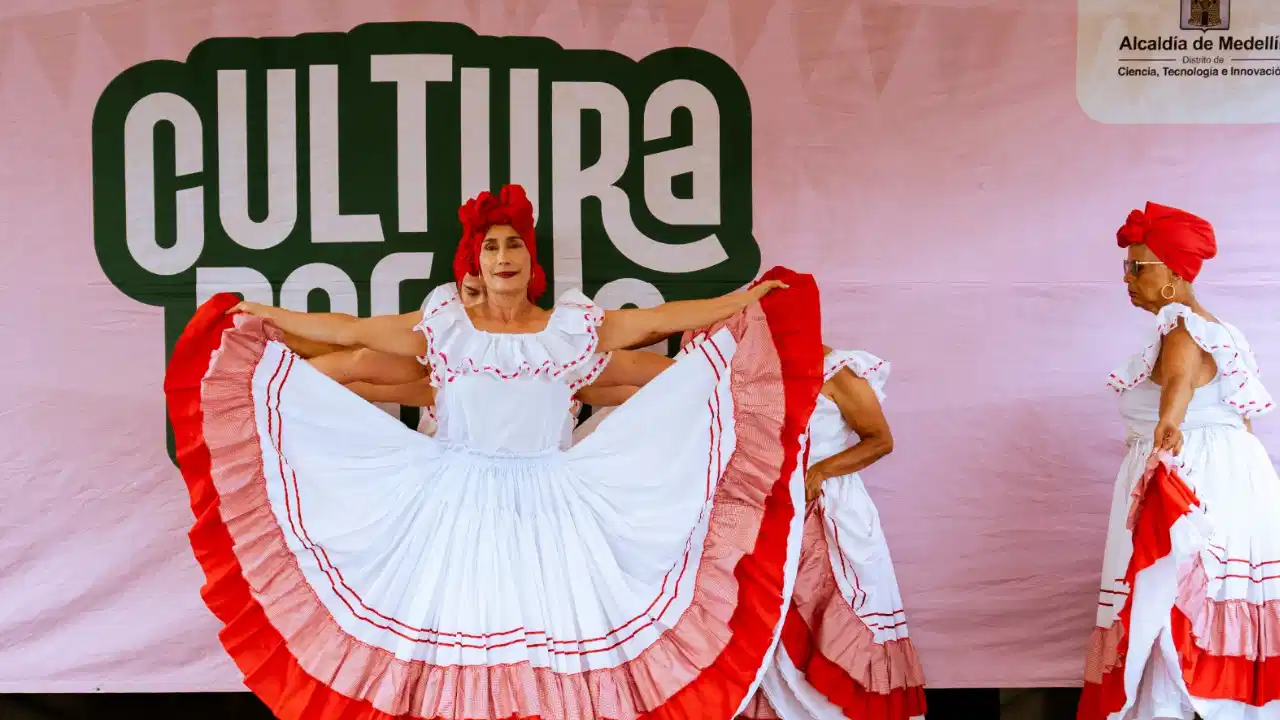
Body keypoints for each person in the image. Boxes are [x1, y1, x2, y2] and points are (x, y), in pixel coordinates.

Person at [163, 184, 825, 720]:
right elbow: (351, 331)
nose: (501, 256)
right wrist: (271, 317)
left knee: (544, 631)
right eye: (490, 247)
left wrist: (741, 300)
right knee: (451, 628)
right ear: (474, 263)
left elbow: (658, 321)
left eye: (512, 245)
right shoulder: (446, 328)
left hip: (550, 504)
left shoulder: (572, 329)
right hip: (452, 499)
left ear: (529, 259)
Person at [1077, 202, 1279, 720]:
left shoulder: (1183, 327)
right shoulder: (1218, 330)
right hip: (1230, 476)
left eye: (1136, 267)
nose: (1127, 277)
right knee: (1185, 604)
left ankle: (1167, 709)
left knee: (1163, 604)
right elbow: (1236, 412)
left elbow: (1180, 380)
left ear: (1170, 274)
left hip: (1189, 478)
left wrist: (1170, 420)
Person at [735, 345, 927, 720]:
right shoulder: (749, 367)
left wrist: (820, 472)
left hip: (831, 512)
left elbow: (880, 439)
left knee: (830, 617)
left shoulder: (838, 369)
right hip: (766, 515)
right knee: (766, 627)